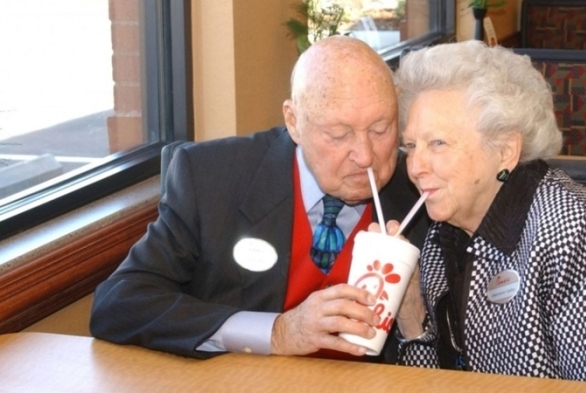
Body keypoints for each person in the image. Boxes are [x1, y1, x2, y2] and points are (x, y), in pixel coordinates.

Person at [90, 36, 428, 362]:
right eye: (339, 135)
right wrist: (276, 332)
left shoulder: (423, 191)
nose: (366, 156)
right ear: (294, 122)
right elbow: (119, 303)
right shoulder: (212, 179)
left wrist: (414, 321)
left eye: (381, 129)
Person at [391, 40, 586, 388]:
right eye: (411, 146)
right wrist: (411, 312)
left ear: (505, 151)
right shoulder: (445, 232)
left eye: (438, 143)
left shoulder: (580, 238)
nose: (416, 167)